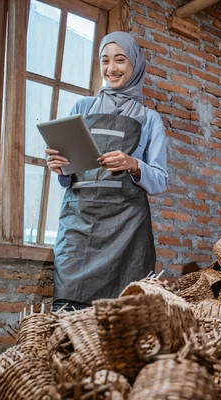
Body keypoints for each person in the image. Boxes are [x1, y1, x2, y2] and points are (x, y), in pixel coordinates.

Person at [46, 32, 168, 312]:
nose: (111, 68)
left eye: (120, 60)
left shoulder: (149, 119)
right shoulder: (83, 108)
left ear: (135, 64)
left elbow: (160, 180)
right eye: (105, 60)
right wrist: (59, 167)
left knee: (123, 321)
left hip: (127, 230)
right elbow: (69, 179)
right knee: (67, 316)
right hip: (79, 228)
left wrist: (133, 164)